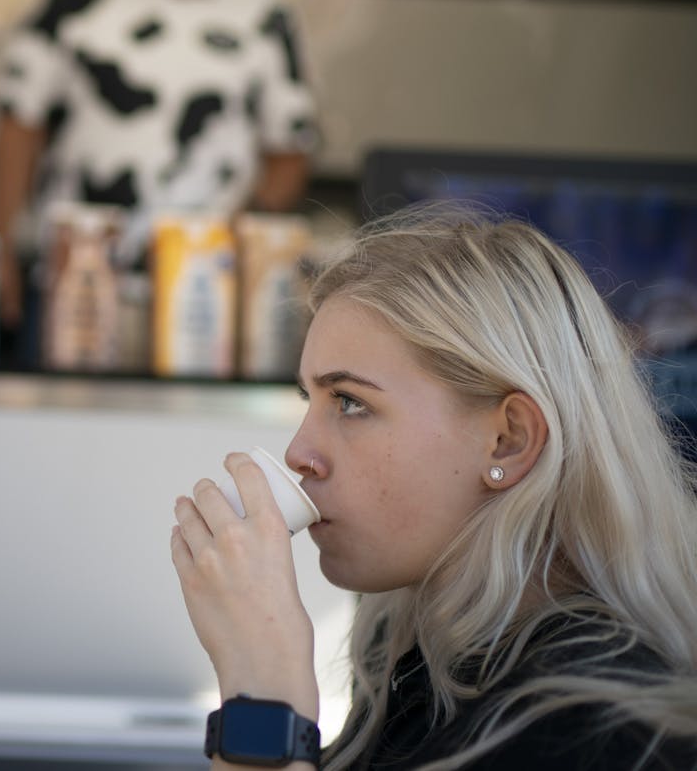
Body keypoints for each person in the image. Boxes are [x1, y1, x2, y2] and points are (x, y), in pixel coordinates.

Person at [171, 204, 697, 769]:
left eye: (350, 402)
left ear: (509, 441)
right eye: (311, 400)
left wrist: (263, 681)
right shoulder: (410, 659)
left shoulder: (597, 736)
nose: (299, 452)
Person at [0, 0, 321, 335]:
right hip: (77, 280)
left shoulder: (265, 10)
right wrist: (0, 249)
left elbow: (290, 151)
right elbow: (18, 125)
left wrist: (237, 245)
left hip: (207, 290)